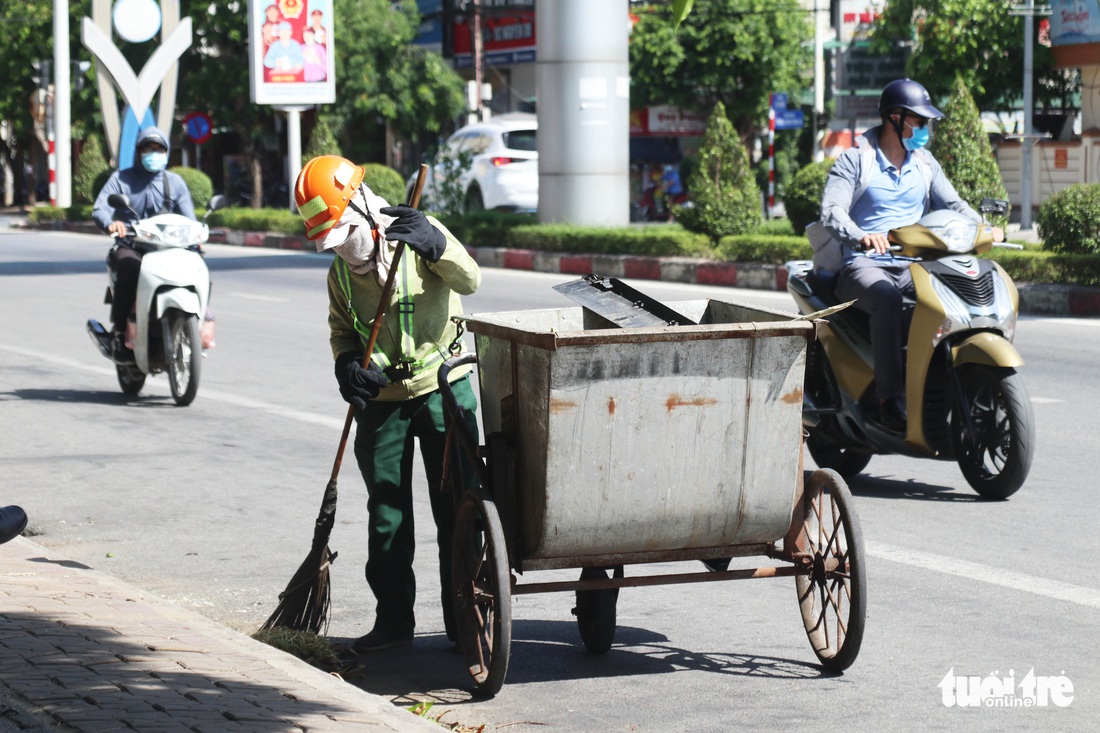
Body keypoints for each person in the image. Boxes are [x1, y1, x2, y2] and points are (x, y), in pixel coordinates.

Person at [294, 155, 481, 652]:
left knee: (458, 509)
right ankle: (394, 622)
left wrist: (438, 245)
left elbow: (470, 280)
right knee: (388, 515)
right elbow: (340, 329)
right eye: (330, 240)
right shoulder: (340, 272)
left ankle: (465, 619)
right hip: (383, 400)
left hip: (442, 385)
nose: (341, 249)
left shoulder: (417, 235)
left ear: (360, 205)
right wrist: (346, 365)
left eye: (343, 232)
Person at [819, 78, 1003, 433]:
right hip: (864, 265)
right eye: (919, 122)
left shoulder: (925, 164)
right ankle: (890, 400)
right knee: (887, 299)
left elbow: (952, 204)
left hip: (915, 265)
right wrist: (862, 237)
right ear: (894, 118)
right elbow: (832, 210)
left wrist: (984, 228)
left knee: (948, 304)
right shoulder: (857, 161)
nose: (924, 130)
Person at [92, 127, 196, 361]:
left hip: (168, 247)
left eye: (159, 149)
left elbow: (190, 219)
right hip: (132, 246)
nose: (154, 153)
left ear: (167, 152)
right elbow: (100, 209)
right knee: (129, 268)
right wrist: (111, 223)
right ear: (138, 151)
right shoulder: (121, 179)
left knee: (197, 265)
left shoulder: (175, 183)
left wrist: (197, 236)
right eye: (148, 148)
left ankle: (200, 319)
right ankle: (119, 334)